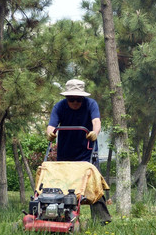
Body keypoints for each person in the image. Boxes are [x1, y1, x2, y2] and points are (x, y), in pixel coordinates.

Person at [46, 79, 111, 225]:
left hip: (87, 152)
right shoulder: (59, 107)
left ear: (83, 97)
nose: (75, 102)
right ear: (66, 98)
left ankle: (102, 220)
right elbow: (51, 125)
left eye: (78, 99)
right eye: (71, 99)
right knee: (62, 186)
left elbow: (96, 121)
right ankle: (61, 217)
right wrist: (50, 133)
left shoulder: (91, 104)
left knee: (94, 185)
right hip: (65, 153)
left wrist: (95, 132)